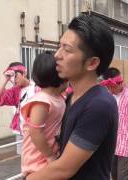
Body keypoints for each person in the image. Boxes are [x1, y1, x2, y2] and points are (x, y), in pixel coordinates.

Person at [27, 14, 118, 180]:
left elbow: (64, 169)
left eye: (67, 49)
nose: (56, 55)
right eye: (59, 46)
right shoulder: (71, 97)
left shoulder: (99, 104)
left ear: (92, 63)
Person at [20, 52, 66, 177]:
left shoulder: (59, 97)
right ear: (61, 76)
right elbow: (35, 132)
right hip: (38, 160)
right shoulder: (42, 101)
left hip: (49, 155)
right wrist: (50, 156)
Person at [0, 62, 36, 154]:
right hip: (21, 130)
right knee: (23, 159)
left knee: (35, 158)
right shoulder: (15, 91)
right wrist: (6, 79)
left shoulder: (37, 88)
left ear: (24, 73)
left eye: (15, 75)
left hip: (35, 130)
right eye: (11, 77)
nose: (14, 80)